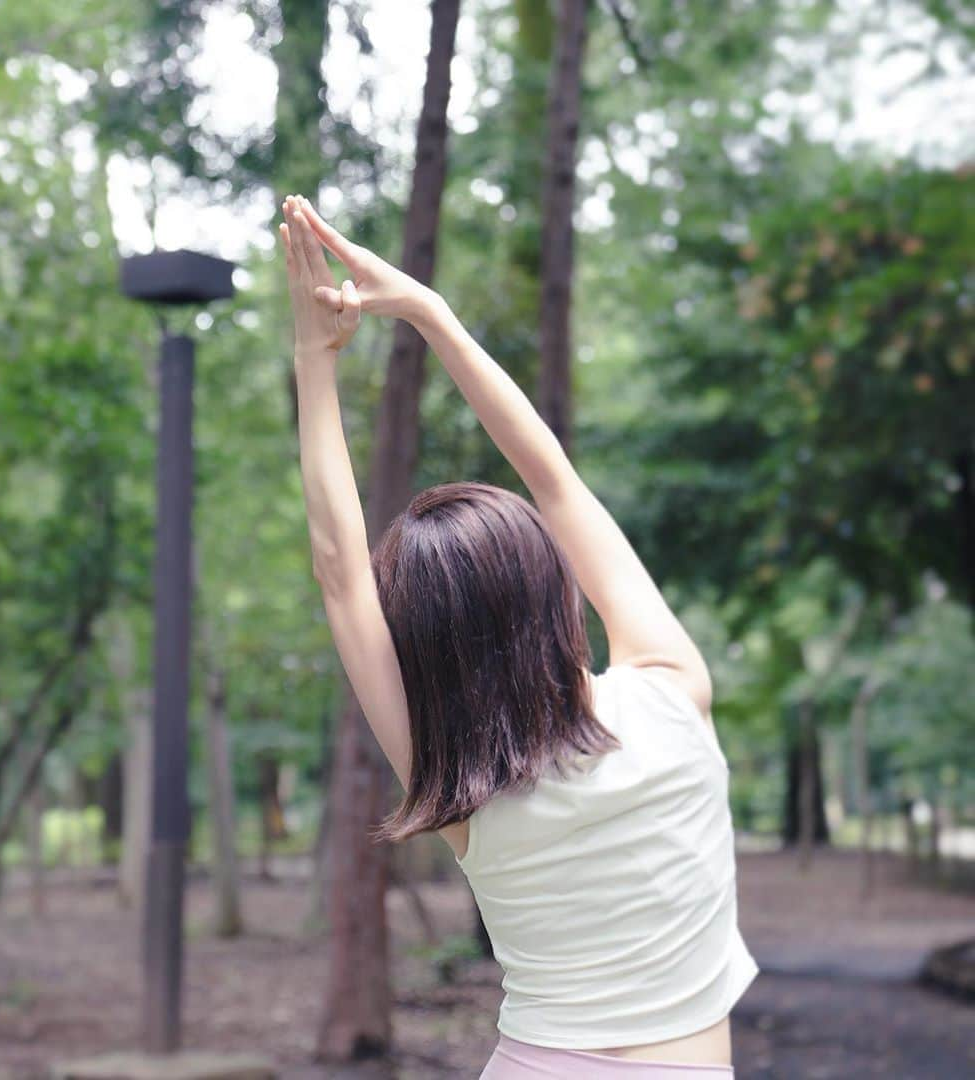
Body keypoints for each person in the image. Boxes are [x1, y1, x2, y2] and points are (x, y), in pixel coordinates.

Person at [278, 192, 759, 1078]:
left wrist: (315, 357)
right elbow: (557, 484)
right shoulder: (670, 691)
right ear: (555, 591)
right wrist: (431, 314)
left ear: (427, 644)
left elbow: (339, 570)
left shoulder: (456, 781)